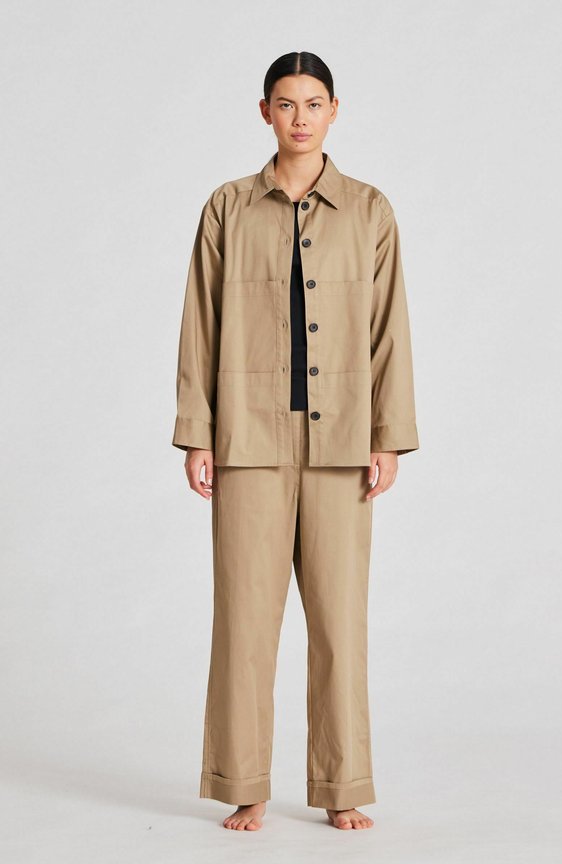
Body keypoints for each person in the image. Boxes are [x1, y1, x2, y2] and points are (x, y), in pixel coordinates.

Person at [172, 51, 419, 831]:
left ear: (334, 111)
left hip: (343, 443)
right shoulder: (227, 208)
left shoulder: (370, 211)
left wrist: (387, 435)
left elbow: (389, 329)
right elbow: (200, 323)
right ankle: (244, 782)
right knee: (243, 624)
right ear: (265, 112)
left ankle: (342, 786)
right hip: (247, 439)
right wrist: (197, 434)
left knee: (339, 624)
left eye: (314, 103)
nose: (301, 117)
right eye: (286, 103)